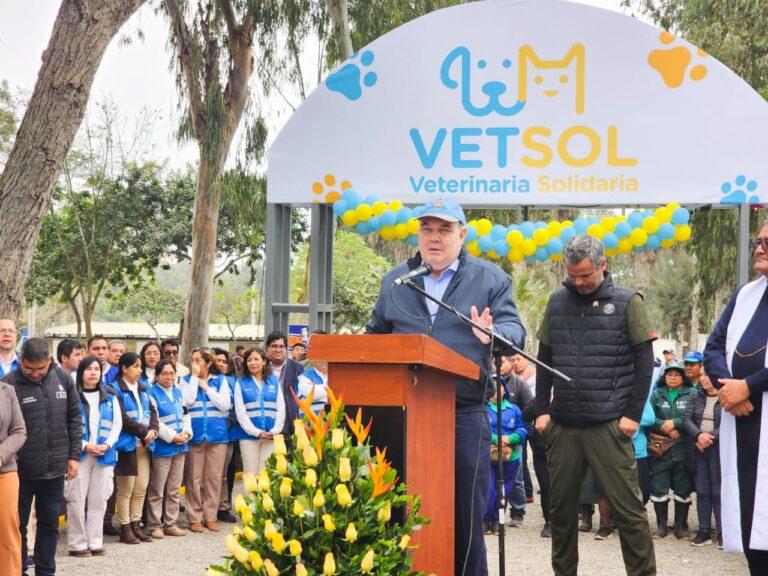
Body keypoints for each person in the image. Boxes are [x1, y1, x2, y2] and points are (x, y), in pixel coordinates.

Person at [366, 197, 525, 576]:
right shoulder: (396, 282)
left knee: (465, 514)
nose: (434, 238)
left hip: (464, 414)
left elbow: (515, 331)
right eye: (427, 229)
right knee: (398, 509)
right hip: (403, 417)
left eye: (444, 229)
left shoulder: (490, 279)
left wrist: (493, 333)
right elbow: (374, 337)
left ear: (462, 234)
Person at [534, 235, 656, 576]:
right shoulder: (556, 302)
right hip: (564, 425)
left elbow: (645, 362)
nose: (579, 282)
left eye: (585, 275)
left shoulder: (628, 301)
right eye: (573, 275)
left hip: (609, 424)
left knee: (629, 512)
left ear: (602, 265)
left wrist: (632, 415)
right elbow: (544, 358)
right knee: (560, 512)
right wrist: (542, 409)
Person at [703, 221, 768, 572]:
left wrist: (750, 385)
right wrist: (729, 386)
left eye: (767, 244)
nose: (759, 249)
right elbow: (714, 345)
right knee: (750, 523)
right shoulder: (746, 295)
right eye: (758, 242)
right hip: (744, 426)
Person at [3, 338, 81, 576]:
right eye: (28, 368)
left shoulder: (63, 379)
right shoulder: (8, 384)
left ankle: (46, 570)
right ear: (20, 361)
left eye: (40, 368)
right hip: (21, 469)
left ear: (50, 361)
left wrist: (73, 455)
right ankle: (20, 569)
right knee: (18, 525)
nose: (35, 373)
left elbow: (75, 417)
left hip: (55, 466)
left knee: (49, 524)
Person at [66, 355, 122, 557]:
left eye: (97, 369)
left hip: (105, 454)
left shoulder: (111, 395)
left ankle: (95, 541)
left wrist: (107, 444)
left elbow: (117, 424)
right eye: (88, 369)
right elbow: (67, 426)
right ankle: (77, 543)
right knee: (76, 499)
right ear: (81, 372)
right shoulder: (72, 395)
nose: (93, 373)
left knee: (99, 500)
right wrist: (86, 445)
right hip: (79, 454)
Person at [180, 347, 231, 533]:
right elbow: (188, 400)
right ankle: (195, 517)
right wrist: (195, 379)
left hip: (217, 435)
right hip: (194, 434)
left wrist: (207, 388)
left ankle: (211, 516)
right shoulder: (185, 381)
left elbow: (225, 405)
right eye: (192, 360)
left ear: (209, 363)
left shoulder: (221, 381)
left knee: (214, 477)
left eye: (198, 361)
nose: (194, 364)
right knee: (193, 478)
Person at [112, 351, 158, 544]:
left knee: (141, 487)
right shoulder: (115, 389)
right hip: (126, 446)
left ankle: (135, 524)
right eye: (136, 366)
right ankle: (125, 528)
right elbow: (122, 418)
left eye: (140, 366)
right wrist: (144, 432)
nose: (140, 370)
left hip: (144, 445)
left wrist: (154, 430)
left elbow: (153, 411)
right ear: (124, 368)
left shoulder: (143, 387)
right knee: (126, 489)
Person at [649, 361, 694, 539]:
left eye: (676, 375)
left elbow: (693, 415)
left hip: (683, 449)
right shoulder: (656, 394)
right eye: (669, 375)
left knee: (683, 488)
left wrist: (675, 423)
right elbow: (648, 417)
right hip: (661, 450)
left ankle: (679, 527)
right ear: (664, 377)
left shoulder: (692, 394)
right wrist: (664, 426)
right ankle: (661, 526)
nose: (673, 377)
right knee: (659, 488)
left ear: (683, 378)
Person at [146, 359, 191, 539]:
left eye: (171, 373)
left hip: (181, 446)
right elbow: (156, 421)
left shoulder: (179, 393)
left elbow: (186, 416)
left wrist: (187, 433)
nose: (168, 377)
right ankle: (154, 525)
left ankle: (170, 523)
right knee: (157, 488)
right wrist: (173, 436)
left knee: (174, 488)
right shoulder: (151, 394)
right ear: (156, 376)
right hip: (163, 447)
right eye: (164, 373)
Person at [682, 371, 722, 547]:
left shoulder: (725, 395)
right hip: (698, 448)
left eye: (708, 375)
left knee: (718, 492)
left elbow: (730, 422)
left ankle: (723, 532)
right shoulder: (695, 394)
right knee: (703, 491)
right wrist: (698, 436)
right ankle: (704, 531)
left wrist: (709, 438)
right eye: (703, 375)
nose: (704, 378)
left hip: (718, 448)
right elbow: (686, 419)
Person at [233, 346, 285, 475]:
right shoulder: (240, 383)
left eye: (256, 359)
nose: (253, 363)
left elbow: (281, 408)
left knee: (267, 474)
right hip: (249, 437)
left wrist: (276, 430)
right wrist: (256, 432)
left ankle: (265, 497)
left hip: (271, 435)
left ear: (264, 361)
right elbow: (240, 413)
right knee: (250, 475)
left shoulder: (273, 381)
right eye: (249, 360)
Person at [483, 386, 526, 535]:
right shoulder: (484, 408)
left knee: (505, 491)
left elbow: (522, 429)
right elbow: (482, 428)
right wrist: (497, 439)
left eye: (500, 387)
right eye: (494, 387)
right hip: (487, 456)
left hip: (510, 457)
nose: (498, 390)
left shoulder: (514, 409)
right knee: (489, 488)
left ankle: (497, 521)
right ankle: (486, 519)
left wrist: (511, 438)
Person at [0, 367, 26, 574]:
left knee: (8, 532)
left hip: (5, 469)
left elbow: (19, 431)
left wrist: (1, 455)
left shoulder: (7, 391)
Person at [212, 347, 239, 523]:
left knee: (222, 473)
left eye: (224, 361)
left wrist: (226, 424)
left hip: (227, 434)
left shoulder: (233, 382)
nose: (221, 364)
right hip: (207, 434)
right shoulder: (205, 380)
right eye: (218, 361)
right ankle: (207, 506)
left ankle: (221, 506)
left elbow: (237, 407)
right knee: (206, 474)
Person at [265, 331, 304, 440]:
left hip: (290, 425)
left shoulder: (298, 368)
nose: (278, 350)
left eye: (281, 346)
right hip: (266, 424)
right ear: (267, 348)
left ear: (286, 349)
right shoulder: (261, 368)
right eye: (274, 346)